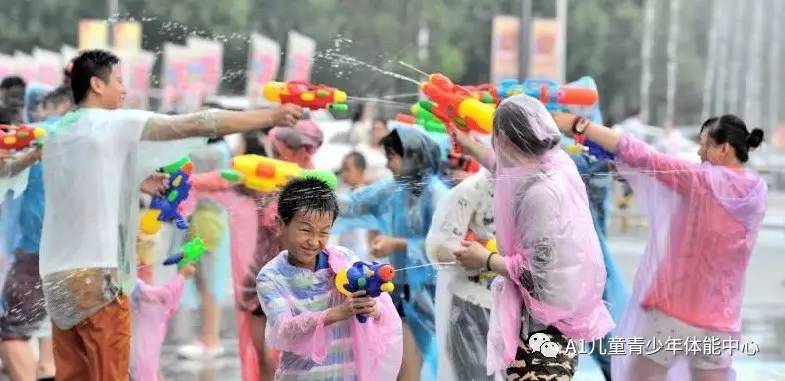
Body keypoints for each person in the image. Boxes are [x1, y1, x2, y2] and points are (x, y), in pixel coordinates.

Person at [38, 49, 302, 381]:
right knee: (110, 374)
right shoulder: (114, 122)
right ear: (96, 84)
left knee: (74, 375)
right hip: (99, 276)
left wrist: (138, 179)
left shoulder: (59, 132)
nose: (125, 90)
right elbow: (198, 122)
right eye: (119, 81)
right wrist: (269, 116)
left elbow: (82, 181)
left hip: (56, 277)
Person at [552, 112, 767, 381]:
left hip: (672, 314)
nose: (699, 153)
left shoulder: (700, 181)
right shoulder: (758, 193)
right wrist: (637, 174)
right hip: (721, 322)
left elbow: (644, 156)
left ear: (724, 148)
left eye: (705, 145)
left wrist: (579, 125)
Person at [452, 95, 613, 380]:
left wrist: (486, 259)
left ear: (503, 138)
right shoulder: (554, 165)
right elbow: (502, 167)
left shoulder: (540, 195)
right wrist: (469, 145)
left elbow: (539, 275)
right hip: (553, 318)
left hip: (543, 329)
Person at [186, 120, 325, 381]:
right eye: (296, 148)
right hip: (257, 281)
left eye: (309, 149)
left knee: (291, 356)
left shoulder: (312, 185)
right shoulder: (256, 178)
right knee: (260, 353)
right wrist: (180, 180)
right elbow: (216, 182)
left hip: (298, 283)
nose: (304, 154)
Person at [256, 176, 402, 380]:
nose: (314, 241)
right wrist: (336, 313)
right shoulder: (271, 277)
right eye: (306, 230)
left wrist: (371, 308)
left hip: (347, 374)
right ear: (280, 224)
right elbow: (284, 328)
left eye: (324, 232)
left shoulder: (343, 260)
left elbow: (383, 312)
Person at [332, 126, 448, 380]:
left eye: (392, 157)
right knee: (395, 368)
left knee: (408, 369)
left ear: (411, 156)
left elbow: (445, 246)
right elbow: (353, 204)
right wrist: (312, 196)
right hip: (397, 291)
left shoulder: (436, 194)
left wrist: (398, 244)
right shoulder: (393, 189)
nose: (388, 164)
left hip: (427, 296)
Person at [0, 84, 66, 381]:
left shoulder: (33, 134)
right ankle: (46, 367)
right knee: (53, 318)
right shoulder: (86, 136)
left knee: (12, 329)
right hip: (73, 251)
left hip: (31, 245)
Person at [425, 167, 496, 380]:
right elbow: (439, 249)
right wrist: (475, 253)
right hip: (470, 304)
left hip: (509, 305)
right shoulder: (471, 190)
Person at [130, 261, 197, 381]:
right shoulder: (137, 289)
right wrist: (181, 276)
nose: (149, 270)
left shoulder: (131, 287)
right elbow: (165, 296)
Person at [332, 152, 373, 260]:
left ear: (360, 171)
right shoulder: (347, 193)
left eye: (347, 169)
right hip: (345, 251)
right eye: (343, 170)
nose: (344, 174)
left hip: (359, 254)